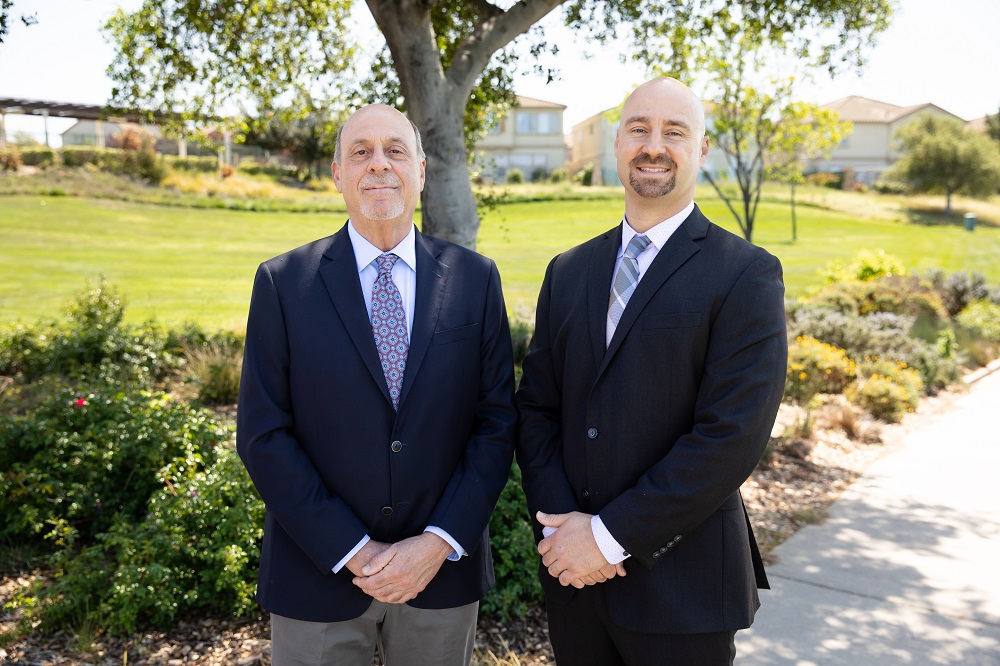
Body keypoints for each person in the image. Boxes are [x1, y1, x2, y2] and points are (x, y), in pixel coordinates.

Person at [515, 77, 787, 665]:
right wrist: (565, 536)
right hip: (574, 587)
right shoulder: (568, 271)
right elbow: (537, 409)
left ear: (702, 150)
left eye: (674, 132)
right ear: (617, 144)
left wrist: (608, 538)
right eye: (639, 129)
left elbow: (730, 438)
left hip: (682, 593)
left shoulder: (745, 274)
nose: (653, 145)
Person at [236, 103, 517, 666]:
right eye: (360, 152)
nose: (378, 165)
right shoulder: (282, 283)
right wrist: (352, 550)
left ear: (420, 168)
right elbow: (263, 434)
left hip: (440, 576)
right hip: (317, 573)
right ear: (338, 173)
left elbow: (497, 423)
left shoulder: (475, 279)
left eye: (395, 150)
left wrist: (437, 543)